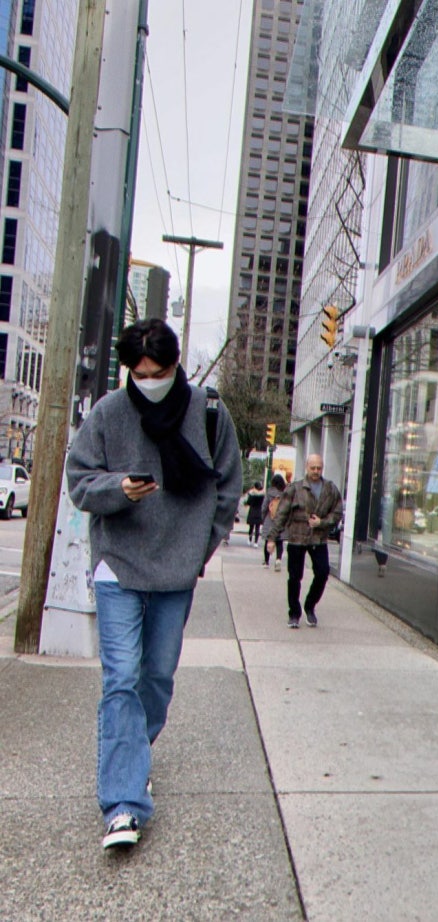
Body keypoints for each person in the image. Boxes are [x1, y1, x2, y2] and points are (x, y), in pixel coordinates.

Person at [66, 318, 242, 851]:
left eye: (158, 373)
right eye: (139, 374)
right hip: (118, 565)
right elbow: (80, 482)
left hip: (175, 570)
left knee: (157, 679)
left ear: (175, 365)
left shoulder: (209, 412)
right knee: (121, 678)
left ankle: (132, 758)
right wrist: (119, 489)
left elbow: (228, 490)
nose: (149, 382)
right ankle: (123, 803)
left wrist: (198, 551)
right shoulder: (109, 413)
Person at [267, 454, 343, 628]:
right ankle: (294, 613)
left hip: (318, 539)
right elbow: (281, 514)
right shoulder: (295, 489)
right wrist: (272, 538)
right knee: (294, 577)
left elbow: (337, 512)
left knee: (322, 573)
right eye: (312, 468)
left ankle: (310, 606)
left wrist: (322, 522)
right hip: (297, 537)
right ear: (307, 467)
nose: (316, 471)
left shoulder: (330, 489)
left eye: (319, 468)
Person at [261, 472, 286, 570]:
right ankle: (278, 560)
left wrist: (263, 518)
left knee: (268, 540)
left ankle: (266, 562)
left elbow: (264, 507)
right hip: (281, 519)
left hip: (269, 519)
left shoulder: (269, 492)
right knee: (279, 541)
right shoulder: (285, 494)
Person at [244, 481, 264, 547]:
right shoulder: (263, 495)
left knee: (251, 527)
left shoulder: (252, 494)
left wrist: (245, 503)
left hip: (252, 511)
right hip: (259, 511)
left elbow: (248, 502)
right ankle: (256, 542)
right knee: (257, 528)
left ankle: (250, 540)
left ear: (254, 487)